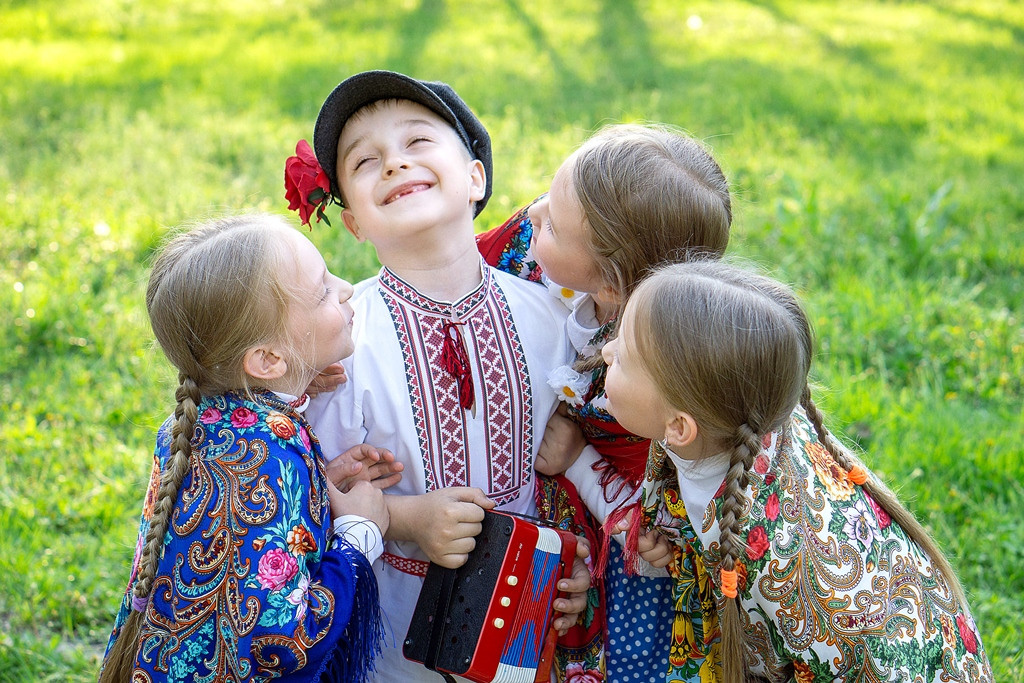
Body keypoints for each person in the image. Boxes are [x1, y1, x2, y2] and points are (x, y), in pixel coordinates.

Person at [284, 70, 589, 682]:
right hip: (395, 637)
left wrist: (578, 560)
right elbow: (312, 490)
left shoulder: (552, 318)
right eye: (365, 160)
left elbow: (574, 463)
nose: (395, 164)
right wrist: (406, 519)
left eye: (418, 143)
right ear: (355, 224)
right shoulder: (344, 342)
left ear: (475, 176)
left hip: (525, 614)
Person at [604, 259, 993, 682]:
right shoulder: (744, 416)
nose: (606, 351)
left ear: (679, 426)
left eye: (621, 357)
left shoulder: (781, 562)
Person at [475, 123, 732, 680]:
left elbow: (653, 504)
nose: (534, 211)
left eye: (553, 225)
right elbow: (456, 273)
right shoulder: (528, 241)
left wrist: (578, 459)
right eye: (549, 191)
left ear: (611, 287)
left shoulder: (664, 366)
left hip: (597, 521)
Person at [98, 214, 391, 683]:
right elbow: (279, 644)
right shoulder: (268, 450)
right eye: (321, 292)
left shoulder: (191, 426)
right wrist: (360, 533)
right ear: (269, 360)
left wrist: (314, 487)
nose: (346, 289)